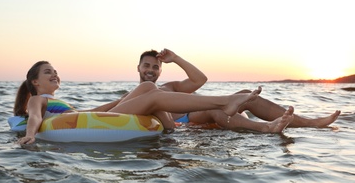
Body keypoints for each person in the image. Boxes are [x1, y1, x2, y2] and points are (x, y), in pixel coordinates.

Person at [14, 61, 274, 145]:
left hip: (97, 114)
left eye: (55, 71)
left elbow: (90, 112)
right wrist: (29, 135)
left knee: (148, 87)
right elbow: (35, 117)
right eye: (48, 72)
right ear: (35, 82)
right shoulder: (38, 99)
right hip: (75, 123)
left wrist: (124, 99)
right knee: (152, 93)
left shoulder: (59, 102)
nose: (54, 74)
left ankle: (172, 125)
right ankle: (225, 102)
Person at [132, 49, 341, 133]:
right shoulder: (136, 96)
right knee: (218, 110)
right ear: (139, 68)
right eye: (147, 66)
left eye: (155, 67)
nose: (151, 70)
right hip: (185, 122)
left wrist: (176, 58)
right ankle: (266, 128)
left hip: (196, 112)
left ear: (160, 70)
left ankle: (311, 122)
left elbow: (200, 79)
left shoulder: (170, 87)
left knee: (245, 94)